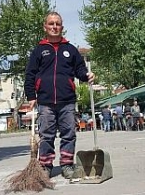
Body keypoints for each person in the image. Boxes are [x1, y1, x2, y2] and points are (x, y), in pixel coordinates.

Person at [24, 11, 95, 179]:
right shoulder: (39, 51)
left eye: (57, 24)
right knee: (46, 135)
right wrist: (31, 96)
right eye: (51, 23)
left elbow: (79, 70)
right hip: (45, 101)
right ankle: (45, 166)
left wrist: (86, 76)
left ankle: (67, 165)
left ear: (62, 27)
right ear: (45, 27)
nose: (54, 26)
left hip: (67, 100)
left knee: (68, 134)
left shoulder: (70, 50)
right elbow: (30, 75)